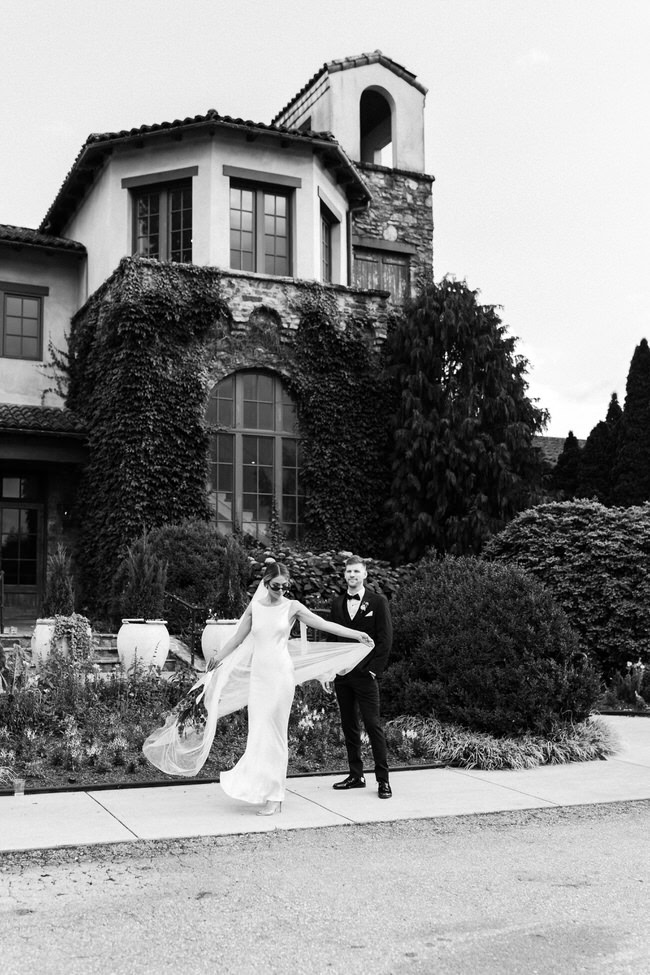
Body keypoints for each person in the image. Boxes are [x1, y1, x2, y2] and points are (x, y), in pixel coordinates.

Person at [143, 562, 373, 817]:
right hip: (259, 678)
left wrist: (357, 634)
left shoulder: (292, 607)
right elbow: (238, 639)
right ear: (265, 584)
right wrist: (218, 657)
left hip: (280, 677)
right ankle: (266, 790)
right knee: (259, 733)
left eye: (285, 587)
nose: (281, 591)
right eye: (276, 587)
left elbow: (323, 624)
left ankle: (275, 795)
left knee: (275, 734)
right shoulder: (255, 608)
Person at [329, 555, 393, 798]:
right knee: (349, 726)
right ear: (344, 575)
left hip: (366, 675)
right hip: (342, 675)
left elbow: (385, 640)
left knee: (373, 725)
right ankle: (356, 775)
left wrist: (374, 670)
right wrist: (331, 670)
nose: (352, 576)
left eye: (356, 572)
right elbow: (332, 640)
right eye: (349, 572)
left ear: (365, 574)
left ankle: (383, 780)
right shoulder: (336, 604)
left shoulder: (378, 602)